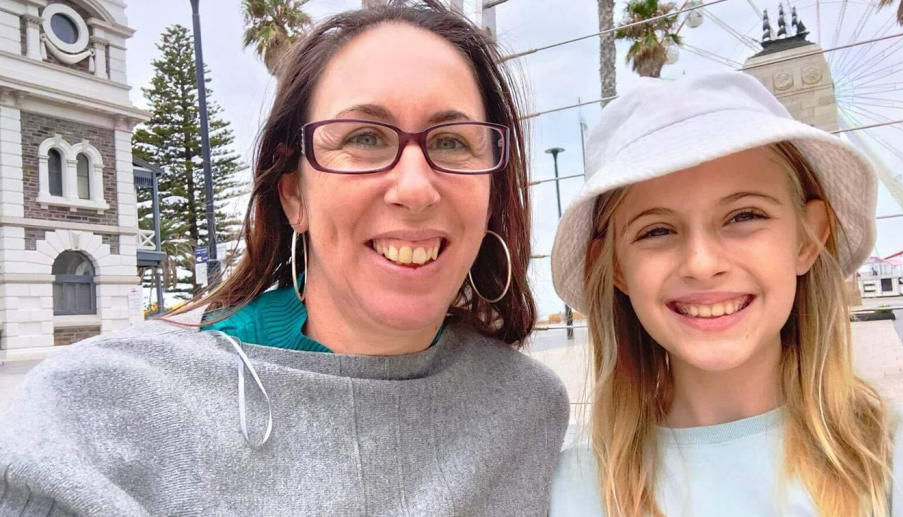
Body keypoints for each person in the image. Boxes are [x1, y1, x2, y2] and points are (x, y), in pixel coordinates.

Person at [0, 2, 569, 515]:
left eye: (451, 141)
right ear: (294, 193)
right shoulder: (100, 409)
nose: (415, 189)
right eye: (365, 138)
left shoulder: (527, 409)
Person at [548, 72, 903, 516]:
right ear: (615, 267)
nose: (702, 263)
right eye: (657, 230)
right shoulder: (564, 491)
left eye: (744, 215)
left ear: (808, 239)